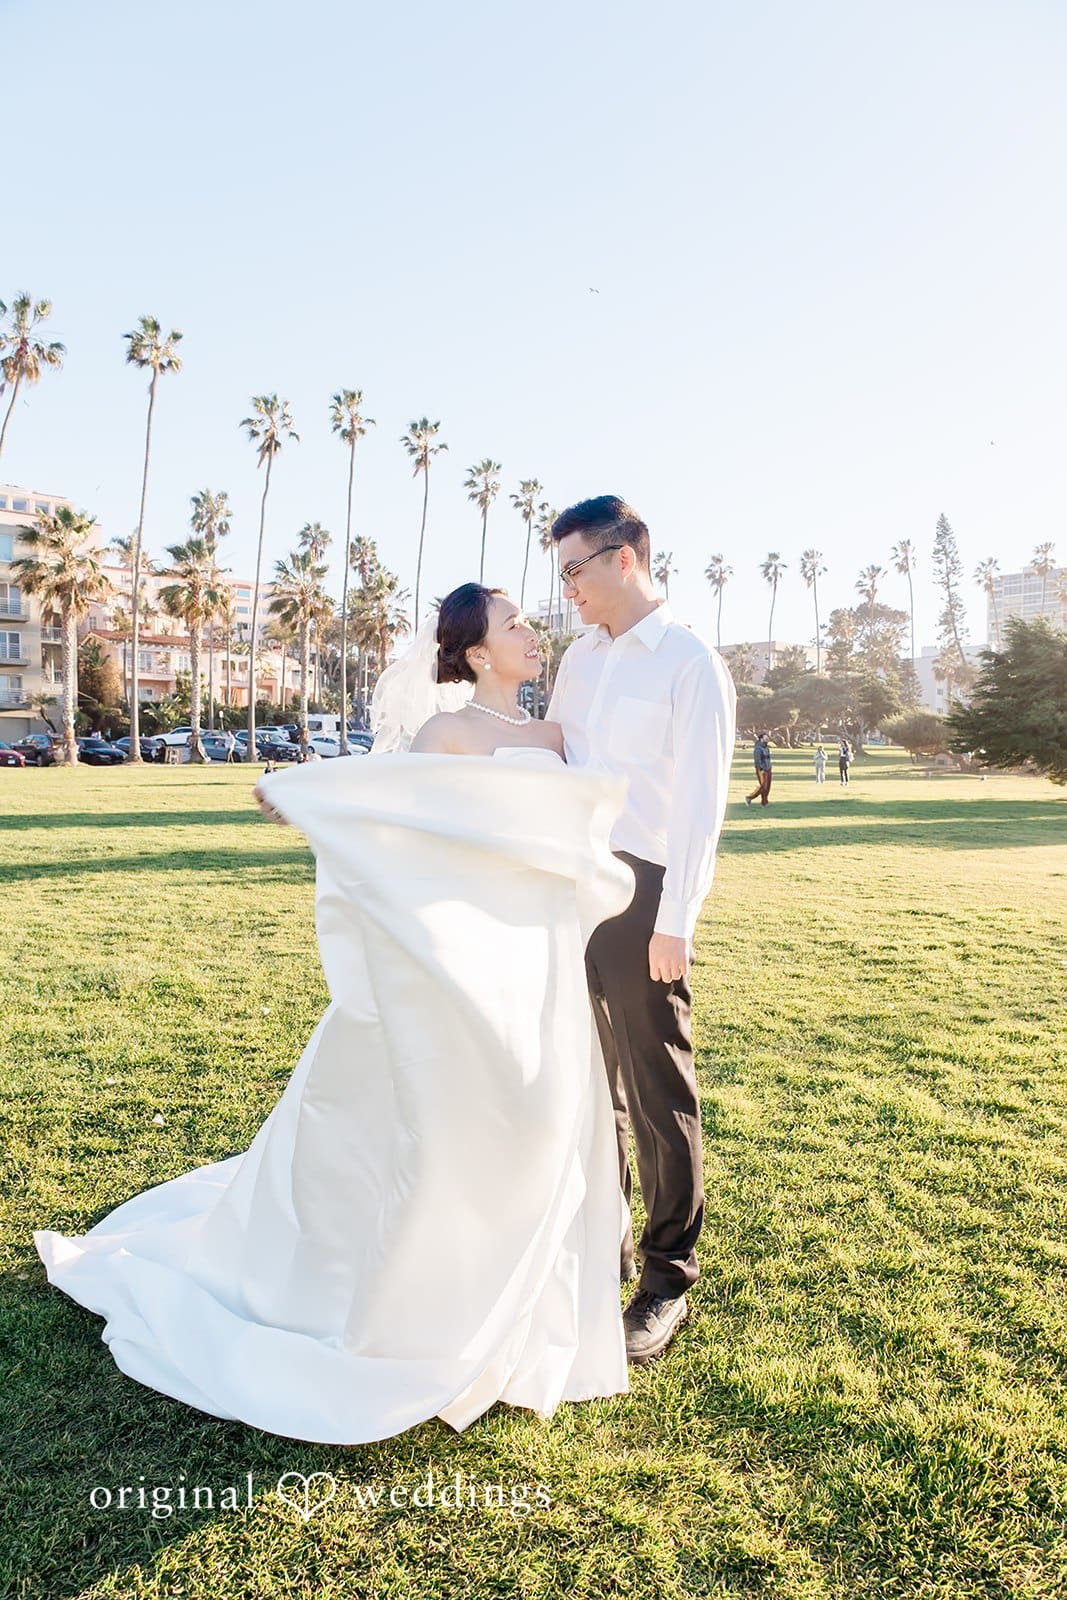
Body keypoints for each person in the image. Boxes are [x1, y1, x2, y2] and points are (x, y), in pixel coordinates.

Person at [34, 583, 633, 1445]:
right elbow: (395, 816)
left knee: (536, 1116)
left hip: (538, 953)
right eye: (514, 625)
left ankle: (517, 1298)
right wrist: (308, 796)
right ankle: (419, 1304)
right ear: (475, 652)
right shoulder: (447, 736)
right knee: (451, 1119)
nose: (532, 633)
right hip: (465, 957)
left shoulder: (557, 737)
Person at [546, 497, 736, 1366]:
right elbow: (549, 761)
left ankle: (666, 1280)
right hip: (567, 884)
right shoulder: (578, 659)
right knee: (586, 1081)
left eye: (574, 569)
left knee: (656, 1088)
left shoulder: (690, 663)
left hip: (642, 892)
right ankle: (604, 1245)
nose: (567, 589)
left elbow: (698, 805)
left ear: (623, 558)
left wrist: (675, 920)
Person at [745, 732, 772, 807]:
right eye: (766, 737)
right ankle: (749, 797)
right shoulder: (758, 748)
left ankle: (764, 802)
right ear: (761, 738)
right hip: (761, 770)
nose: (767, 739)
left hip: (768, 769)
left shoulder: (766, 747)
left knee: (768, 787)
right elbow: (757, 760)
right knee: (763, 786)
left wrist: (769, 767)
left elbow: (768, 758)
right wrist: (760, 769)